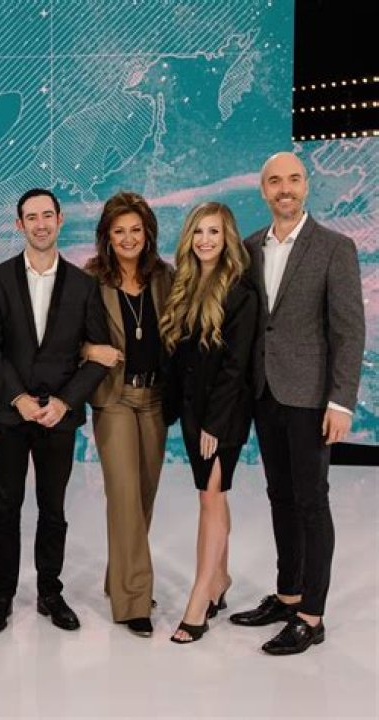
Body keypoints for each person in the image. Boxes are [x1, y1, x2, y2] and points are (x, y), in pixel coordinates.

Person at [229, 151, 365, 655]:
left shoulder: (335, 247)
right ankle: (288, 595)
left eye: (292, 179)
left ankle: (312, 615)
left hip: (310, 397)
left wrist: (341, 402)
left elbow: (349, 331)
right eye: (274, 181)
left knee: (311, 501)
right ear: (263, 190)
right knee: (279, 496)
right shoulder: (248, 248)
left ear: (305, 185)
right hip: (265, 392)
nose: (284, 189)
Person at [0, 188, 109, 635]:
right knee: (5, 509)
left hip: (58, 416)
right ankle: (2, 594)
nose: (40, 224)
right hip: (13, 416)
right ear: (19, 224)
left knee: (53, 509)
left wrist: (65, 401)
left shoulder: (84, 285)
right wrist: (16, 398)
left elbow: (98, 354)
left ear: (59, 219)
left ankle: (50, 592)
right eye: (31, 217)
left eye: (47, 215)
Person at [160, 201, 258, 644]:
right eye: (198, 232)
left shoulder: (240, 292)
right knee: (214, 495)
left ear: (227, 237)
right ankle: (220, 579)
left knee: (209, 497)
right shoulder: (183, 285)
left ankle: (200, 598)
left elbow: (236, 369)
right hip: (193, 411)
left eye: (214, 232)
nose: (205, 240)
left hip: (224, 414)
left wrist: (214, 425)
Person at [81, 191, 173, 637]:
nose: (129, 238)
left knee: (143, 494)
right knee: (123, 494)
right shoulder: (90, 279)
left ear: (148, 233)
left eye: (136, 230)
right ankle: (134, 599)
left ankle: (119, 577)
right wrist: (89, 350)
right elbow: (67, 335)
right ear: (107, 236)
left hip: (155, 397)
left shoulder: (165, 277)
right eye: (119, 231)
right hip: (114, 397)